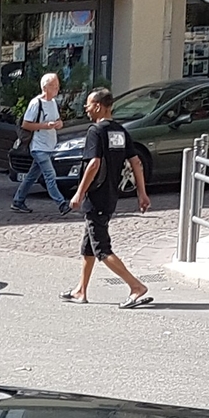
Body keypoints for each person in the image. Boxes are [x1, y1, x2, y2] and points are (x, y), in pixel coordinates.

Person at [64, 87, 154, 307]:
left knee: (101, 248)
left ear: (97, 106)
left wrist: (79, 192)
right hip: (111, 194)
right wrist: (142, 193)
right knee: (89, 245)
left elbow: (93, 164)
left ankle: (136, 286)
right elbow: (136, 162)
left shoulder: (96, 131)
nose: (85, 108)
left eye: (88, 104)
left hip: (96, 196)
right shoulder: (120, 132)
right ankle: (81, 290)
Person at [9, 71, 64, 212]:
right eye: (54, 86)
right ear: (45, 87)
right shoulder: (36, 103)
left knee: (32, 176)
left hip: (50, 145)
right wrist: (45, 126)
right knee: (50, 175)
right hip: (38, 147)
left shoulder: (53, 103)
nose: (57, 89)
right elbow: (26, 125)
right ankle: (61, 203)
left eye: (57, 86)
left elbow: (58, 120)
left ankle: (18, 201)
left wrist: (58, 124)